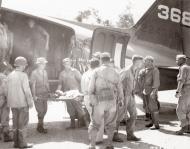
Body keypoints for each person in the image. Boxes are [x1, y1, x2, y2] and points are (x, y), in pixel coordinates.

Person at [88, 52, 124, 149]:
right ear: (109, 60)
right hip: (111, 100)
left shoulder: (96, 71)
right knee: (111, 123)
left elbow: (90, 88)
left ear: (101, 60)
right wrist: (121, 100)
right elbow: (120, 87)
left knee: (95, 123)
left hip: (99, 101)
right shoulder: (115, 72)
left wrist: (91, 100)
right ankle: (109, 144)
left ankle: (92, 146)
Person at [114, 55, 143, 142]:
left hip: (131, 96)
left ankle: (130, 134)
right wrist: (120, 97)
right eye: (141, 62)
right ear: (136, 62)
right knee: (119, 116)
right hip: (123, 96)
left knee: (134, 114)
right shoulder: (126, 71)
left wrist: (133, 90)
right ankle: (114, 135)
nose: (142, 64)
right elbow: (117, 82)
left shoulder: (136, 70)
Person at [7, 56, 33, 148]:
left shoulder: (10, 75)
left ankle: (16, 143)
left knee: (15, 124)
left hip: (13, 104)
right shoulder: (23, 75)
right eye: (24, 65)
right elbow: (27, 90)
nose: (25, 67)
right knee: (23, 124)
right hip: (22, 103)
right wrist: (30, 102)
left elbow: (7, 90)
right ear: (22, 65)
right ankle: (23, 144)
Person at [57, 58, 88, 129]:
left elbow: (81, 81)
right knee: (70, 109)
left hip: (75, 93)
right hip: (67, 94)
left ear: (70, 63)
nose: (66, 65)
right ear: (63, 64)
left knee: (79, 109)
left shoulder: (75, 71)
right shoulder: (62, 73)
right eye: (65, 63)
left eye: (68, 63)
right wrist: (58, 91)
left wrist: (81, 92)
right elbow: (60, 84)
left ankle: (86, 125)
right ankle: (72, 124)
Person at [81, 58, 104, 144]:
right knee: (99, 119)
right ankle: (97, 139)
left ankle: (92, 137)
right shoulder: (96, 74)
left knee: (92, 118)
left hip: (86, 97)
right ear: (98, 65)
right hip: (94, 98)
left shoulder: (85, 74)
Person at [138, 56, 160, 130]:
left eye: (146, 61)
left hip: (151, 91)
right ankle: (152, 122)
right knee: (149, 108)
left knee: (153, 108)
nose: (145, 62)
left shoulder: (155, 70)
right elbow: (140, 78)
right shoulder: (145, 70)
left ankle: (156, 124)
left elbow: (156, 82)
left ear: (151, 62)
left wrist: (154, 92)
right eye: (145, 61)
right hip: (146, 91)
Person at [30, 57, 50, 133]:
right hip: (38, 94)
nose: (44, 65)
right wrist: (34, 95)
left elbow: (47, 82)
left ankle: (40, 125)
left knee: (45, 110)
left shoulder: (45, 72)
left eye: (44, 63)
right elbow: (33, 85)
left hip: (45, 94)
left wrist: (49, 92)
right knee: (40, 111)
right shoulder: (34, 73)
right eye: (42, 63)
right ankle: (40, 126)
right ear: (39, 64)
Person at [175, 54, 190, 135]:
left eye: (177, 60)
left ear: (182, 60)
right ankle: (189, 127)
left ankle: (184, 127)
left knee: (180, 109)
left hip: (185, 89)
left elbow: (181, 80)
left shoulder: (183, 68)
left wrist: (178, 91)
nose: (176, 61)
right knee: (188, 109)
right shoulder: (188, 67)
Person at [0, 73, 12, 142]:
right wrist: (8, 98)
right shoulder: (3, 76)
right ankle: (6, 135)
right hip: (2, 99)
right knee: (5, 117)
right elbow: (5, 89)